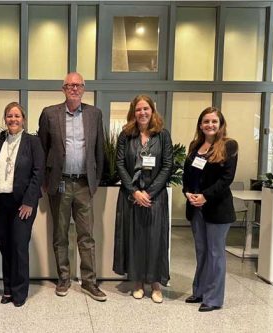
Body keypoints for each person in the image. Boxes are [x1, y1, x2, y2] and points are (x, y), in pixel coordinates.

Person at [38, 72, 107, 301]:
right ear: (63, 88)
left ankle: (89, 282)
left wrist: (94, 183)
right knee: (60, 234)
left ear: (84, 88)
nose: (74, 88)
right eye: (70, 85)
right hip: (59, 183)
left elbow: (100, 150)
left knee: (86, 235)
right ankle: (64, 278)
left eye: (78, 85)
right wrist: (45, 182)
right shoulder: (49, 114)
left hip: (84, 184)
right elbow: (42, 149)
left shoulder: (94, 114)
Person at [0, 102, 44, 307]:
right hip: (1, 203)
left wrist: (29, 202)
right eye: (9, 116)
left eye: (17, 116)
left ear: (24, 119)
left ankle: (20, 291)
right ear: (5, 119)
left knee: (18, 246)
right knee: (4, 246)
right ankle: (7, 288)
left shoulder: (32, 142)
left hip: (23, 204)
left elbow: (38, 174)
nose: (13, 119)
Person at [113, 95, 172, 304]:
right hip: (131, 197)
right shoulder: (125, 135)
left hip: (155, 197)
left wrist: (150, 193)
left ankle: (155, 284)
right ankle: (137, 281)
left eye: (146, 108)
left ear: (152, 110)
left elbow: (167, 166)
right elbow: (120, 164)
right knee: (135, 239)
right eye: (138, 109)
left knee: (155, 239)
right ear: (133, 112)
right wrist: (135, 192)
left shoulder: (162, 135)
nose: (142, 113)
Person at [182, 107, 238, 312]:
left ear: (220, 124)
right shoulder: (195, 145)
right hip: (195, 207)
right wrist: (187, 192)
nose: (210, 125)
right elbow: (187, 177)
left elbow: (226, 179)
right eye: (206, 121)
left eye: (214, 121)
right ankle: (199, 291)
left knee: (215, 253)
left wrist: (205, 196)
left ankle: (213, 299)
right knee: (202, 251)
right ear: (200, 125)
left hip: (216, 208)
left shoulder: (229, 146)